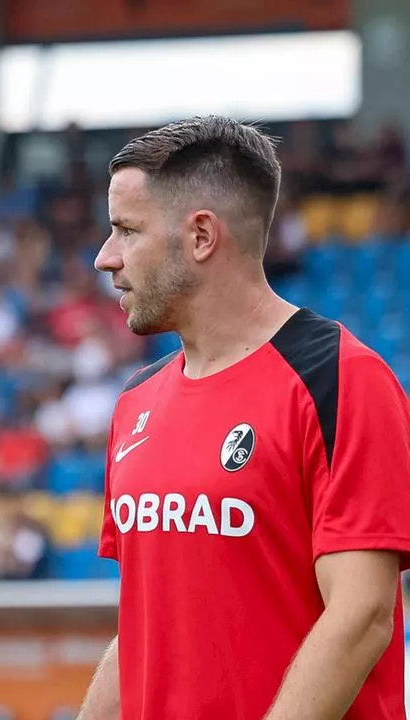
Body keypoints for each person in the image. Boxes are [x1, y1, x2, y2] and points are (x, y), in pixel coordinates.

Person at [77, 116, 410, 720]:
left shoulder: (340, 378)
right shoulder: (135, 402)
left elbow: (361, 617)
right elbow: (144, 631)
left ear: (202, 235)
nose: (105, 258)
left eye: (127, 230)